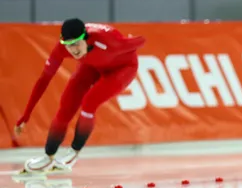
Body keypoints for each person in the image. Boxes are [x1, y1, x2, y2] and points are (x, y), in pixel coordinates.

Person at [14, 18, 145, 174]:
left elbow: (141, 41)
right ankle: (48, 156)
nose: (73, 50)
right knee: (66, 106)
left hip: (121, 68)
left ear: (86, 39)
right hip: (92, 65)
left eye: (76, 44)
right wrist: (26, 114)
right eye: (68, 45)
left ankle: (73, 152)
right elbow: (44, 80)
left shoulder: (109, 42)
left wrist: (130, 39)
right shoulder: (62, 49)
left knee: (90, 102)